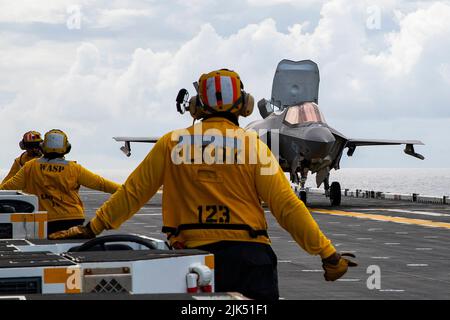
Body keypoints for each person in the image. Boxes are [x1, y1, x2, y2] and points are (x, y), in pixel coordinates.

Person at [49, 69, 356, 300]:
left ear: (196, 107)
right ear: (244, 105)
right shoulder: (253, 147)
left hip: (188, 261)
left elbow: (132, 194)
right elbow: (287, 207)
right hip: (249, 261)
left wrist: (91, 229)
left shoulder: (172, 143)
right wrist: (328, 254)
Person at [0, 129, 121, 235]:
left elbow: (7, 188)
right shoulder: (74, 168)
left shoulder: (29, 166)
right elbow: (102, 184)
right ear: (67, 148)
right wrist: (129, 191)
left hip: (45, 221)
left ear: (43, 147)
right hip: (73, 219)